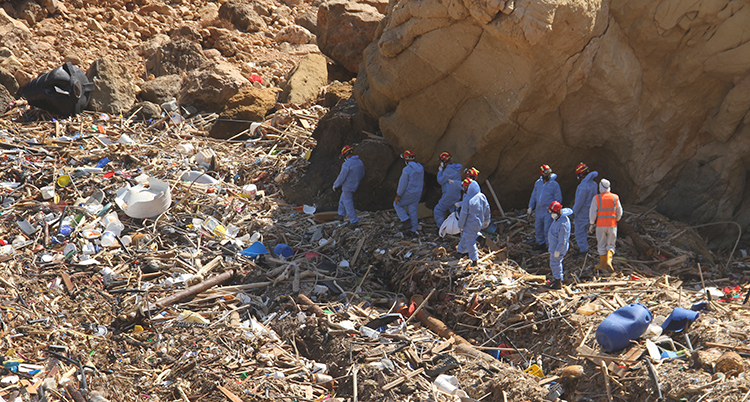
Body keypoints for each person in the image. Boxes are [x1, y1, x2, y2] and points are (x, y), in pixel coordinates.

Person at [588, 178, 623, 272]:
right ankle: (609, 260)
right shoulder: (615, 197)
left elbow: (592, 212)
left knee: (601, 245)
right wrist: (616, 220)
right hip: (612, 225)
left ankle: (603, 265)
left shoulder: (597, 198)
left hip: (600, 225)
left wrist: (591, 223)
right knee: (611, 244)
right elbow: (620, 212)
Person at [457, 178, 491, 267]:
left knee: (470, 241)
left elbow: (463, 215)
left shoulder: (467, 200)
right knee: (466, 236)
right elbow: (487, 209)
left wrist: (460, 225)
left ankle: (474, 259)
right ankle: (460, 251)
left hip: (469, 224)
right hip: (479, 223)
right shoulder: (481, 196)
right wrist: (487, 220)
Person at [527, 164, 562, 250]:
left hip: (549, 211)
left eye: (549, 173)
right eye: (546, 174)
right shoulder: (538, 183)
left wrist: (555, 210)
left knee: (548, 229)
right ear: (542, 174)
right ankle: (540, 243)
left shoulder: (554, 184)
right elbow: (534, 196)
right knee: (538, 228)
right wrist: (530, 207)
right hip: (539, 211)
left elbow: (558, 198)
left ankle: (548, 246)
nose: (548, 175)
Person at [332, 145, 365, 226]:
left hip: (348, 186)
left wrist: (336, 185)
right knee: (343, 198)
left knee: (348, 202)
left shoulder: (347, 164)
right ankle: (341, 214)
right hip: (355, 184)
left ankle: (354, 221)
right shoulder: (359, 162)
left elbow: (342, 176)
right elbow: (362, 173)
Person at [394, 150, 424, 235]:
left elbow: (402, 184)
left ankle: (406, 221)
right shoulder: (420, 168)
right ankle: (413, 230)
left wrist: (398, 195)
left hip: (409, 193)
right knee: (413, 210)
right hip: (418, 193)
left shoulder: (407, 170)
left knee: (397, 204)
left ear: (406, 160)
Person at [572, 163, 598, 255]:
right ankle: (584, 248)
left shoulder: (582, 186)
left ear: (582, 174)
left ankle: (583, 250)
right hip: (591, 212)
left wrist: (573, 212)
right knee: (586, 231)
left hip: (582, 213)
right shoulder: (594, 184)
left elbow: (579, 202)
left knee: (580, 232)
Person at [547, 201, 572, 289]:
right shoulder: (558, 218)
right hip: (554, 246)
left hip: (558, 248)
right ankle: (555, 279)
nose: (551, 214)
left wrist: (558, 250)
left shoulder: (563, 224)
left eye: (551, 212)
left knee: (556, 263)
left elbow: (563, 239)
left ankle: (558, 281)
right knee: (554, 263)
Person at [434, 152, 462, 229]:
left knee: (438, 210)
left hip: (449, 195)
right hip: (456, 194)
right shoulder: (456, 168)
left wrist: (440, 171)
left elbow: (440, 180)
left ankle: (442, 228)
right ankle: (456, 228)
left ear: (444, 161)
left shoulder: (449, 170)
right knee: (454, 213)